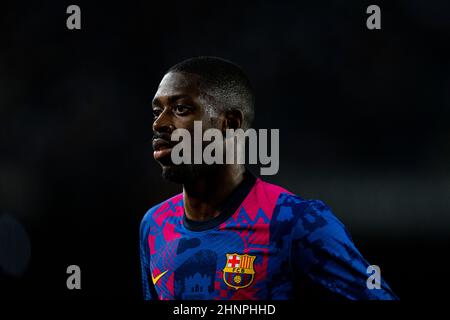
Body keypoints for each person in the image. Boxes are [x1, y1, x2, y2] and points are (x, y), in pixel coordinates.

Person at [139, 56, 398, 300]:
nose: (158, 124)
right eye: (156, 111)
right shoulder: (154, 225)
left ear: (229, 124)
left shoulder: (297, 222)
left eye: (180, 108)